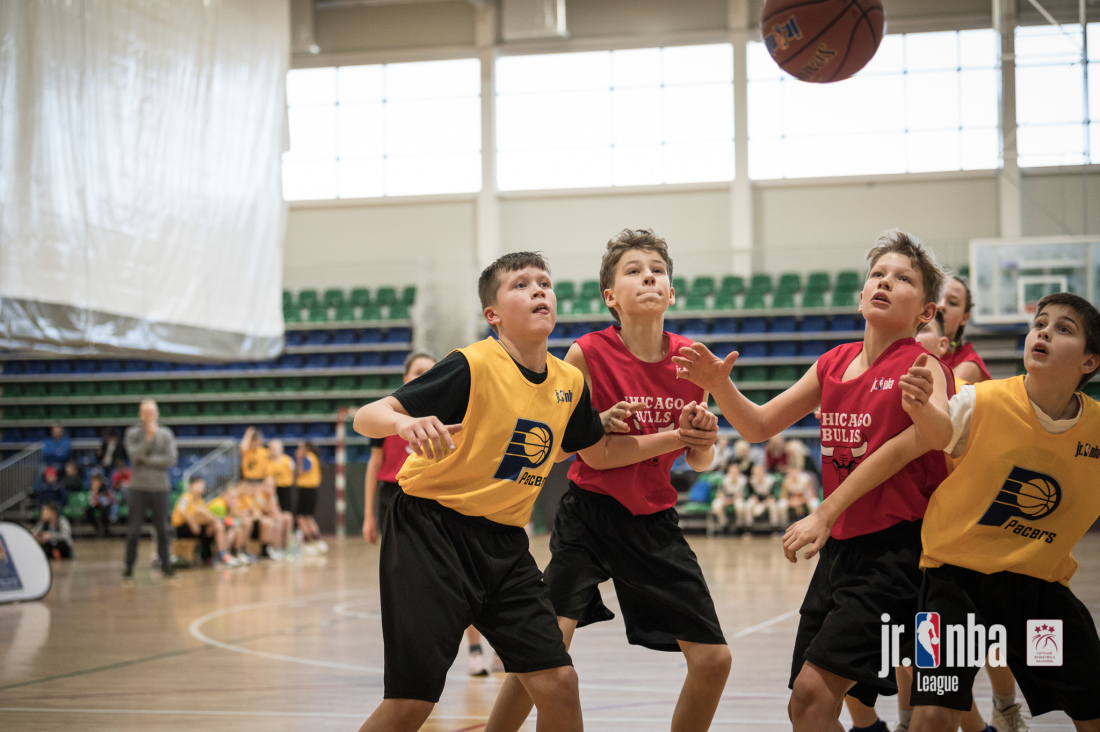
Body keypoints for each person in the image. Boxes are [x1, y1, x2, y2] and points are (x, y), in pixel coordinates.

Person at [353, 251, 714, 732]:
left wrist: (675, 435)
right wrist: (405, 421)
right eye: (521, 285)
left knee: (558, 684)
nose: (539, 290)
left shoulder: (568, 381)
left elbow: (591, 451)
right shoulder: (471, 364)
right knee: (412, 703)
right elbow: (365, 416)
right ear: (493, 314)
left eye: (545, 282)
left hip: (504, 542)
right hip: (430, 532)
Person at [674, 230, 955, 732]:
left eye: (903, 278)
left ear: (926, 313)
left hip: (898, 552)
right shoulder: (834, 363)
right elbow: (759, 426)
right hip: (841, 553)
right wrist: (720, 386)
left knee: (820, 695)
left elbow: (935, 436)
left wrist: (824, 511)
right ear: (861, 294)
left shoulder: (923, 363)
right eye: (878, 275)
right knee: (805, 705)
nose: (885, 282)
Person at [485, 230, 730, 732]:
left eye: (657, 270)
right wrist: (677, 435)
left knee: (714, 660)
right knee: (544, 656)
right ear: (610, 297)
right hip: (590, 516)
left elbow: (699, 462)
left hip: (655, 521)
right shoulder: (585, 354)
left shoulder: (691, 359)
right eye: (634, 270)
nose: (648, 277)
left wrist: (702, 440)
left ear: (671, 291)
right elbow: (595, 452)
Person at [363, 352, 436, 545]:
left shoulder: (449, 413)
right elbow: (374, 465)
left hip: (434, 495)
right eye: (418, 372)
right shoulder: (386, 414)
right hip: (394, 496)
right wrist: (368, 515)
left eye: (430, 372)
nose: (424, 376)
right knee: (398, 565)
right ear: (406, 378)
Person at [122, 399, 178, 580]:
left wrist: (147, 460)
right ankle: (129, 567)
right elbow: (134, 455)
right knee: (133, 530)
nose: (149, 416)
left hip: (161, 488)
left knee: (162, 529)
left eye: (152, 412)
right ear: (140, 415)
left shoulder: (167, 434)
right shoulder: (132, 433)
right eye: (145, 413)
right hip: (137, 488)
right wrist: (148, 439)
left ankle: (166, 566)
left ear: (158, 413)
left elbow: (170, 459)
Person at [171, 477, 239, 567]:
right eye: (198, 484)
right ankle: (222, 520)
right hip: (183, 527)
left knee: (218, 526)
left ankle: (222, 554)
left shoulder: (200, 500)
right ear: (191, 486)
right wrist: (193, 523)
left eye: (203, 484)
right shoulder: (186, 497)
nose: (202, 486)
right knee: (200, 510)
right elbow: (181, 510)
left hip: (198, 528)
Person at [939, 275, 992, 384]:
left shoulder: (968, 366)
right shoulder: (909, 349)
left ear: (964, 318)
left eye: (952, 303)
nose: (941, 305)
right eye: (936, 297)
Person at [295, 441, 326, 554]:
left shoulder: (307, 458)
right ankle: (318, 541)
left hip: (306, 489)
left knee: (301, 517)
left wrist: (299, 459)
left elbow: (301, 471)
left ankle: (307, 542)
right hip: (313, 490)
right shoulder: (315, 458)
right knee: (309, 517)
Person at [711, 463, 746, 532]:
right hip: (725, 498)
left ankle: (739, 525)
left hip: (737, 498)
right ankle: (724, 524)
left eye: (736, 472)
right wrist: (724, 499)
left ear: (739, 472)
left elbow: (742, 494)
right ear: (729, 472)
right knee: (716, 505)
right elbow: (719, 492)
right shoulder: (724, 479)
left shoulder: (743, 480)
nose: (734, 474)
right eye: (732, 472)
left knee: (740, 505)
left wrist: (732, 500)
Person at [86, 468, 117, 538]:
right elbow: (91, 502)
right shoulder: (92, 489)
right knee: (87, 510)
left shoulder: (105, 488)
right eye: (93, 481)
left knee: (104, 512)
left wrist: (98, 497)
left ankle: (106, 531)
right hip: (97, 505)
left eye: (96, 481)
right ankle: (97, 529)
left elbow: (107, 501)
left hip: (106, 505)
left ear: (100, 481)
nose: (94, 483)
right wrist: (95, 494)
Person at [268, 439, 296, 517]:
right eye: (272, 449)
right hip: (273, 489)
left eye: (275, 449)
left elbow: (293, 473)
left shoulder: (288, 460)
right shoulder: (269, 462)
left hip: (285, 488)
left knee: (286, 509)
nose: (274, 451)